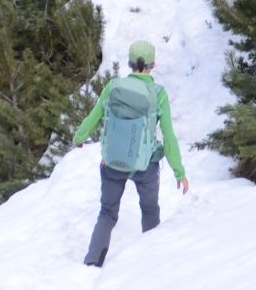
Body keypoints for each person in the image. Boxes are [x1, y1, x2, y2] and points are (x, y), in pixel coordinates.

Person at [72, 39, 188, 267]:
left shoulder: (113, 87)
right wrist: (179, 172)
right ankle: (150, 264)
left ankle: (92, 263)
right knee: (150, 210)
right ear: (153, 64)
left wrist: (79, 138)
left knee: (107, 213)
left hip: (112, 163)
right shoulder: (158, 94)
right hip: (146, 166)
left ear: (130, 63)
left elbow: (93, 117)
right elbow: (169, 137)